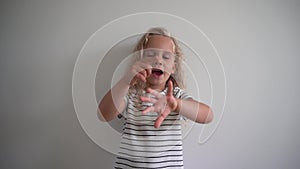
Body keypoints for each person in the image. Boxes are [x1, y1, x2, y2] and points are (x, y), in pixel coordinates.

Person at [98, 27, 213, 169]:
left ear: (173, 68)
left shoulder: (176, 96)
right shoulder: (131, 94)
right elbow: (103, 114)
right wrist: (125, 80)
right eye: (151, 54)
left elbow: (207, 116)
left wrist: (176, 104)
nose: (158, 60)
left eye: (166, 57)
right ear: (139, 61)